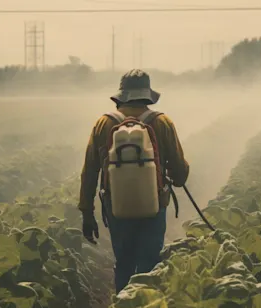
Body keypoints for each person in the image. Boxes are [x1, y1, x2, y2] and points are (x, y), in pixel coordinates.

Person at [78, 69, 190, 293]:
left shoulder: (103, 124)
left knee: (124, 261)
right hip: (154, 204)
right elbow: (180, 175)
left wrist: (87, 213)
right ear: (147, 96)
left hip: (116, 206)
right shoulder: (162, 122)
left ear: (121, 96)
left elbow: (90, 171)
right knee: (150, 262)